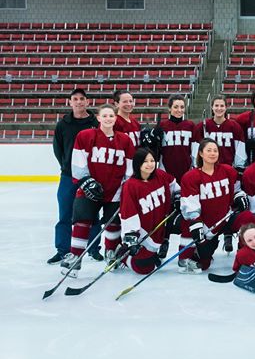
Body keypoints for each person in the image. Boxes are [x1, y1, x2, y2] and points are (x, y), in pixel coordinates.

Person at [59, 104, 135, 277]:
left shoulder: (124, 140)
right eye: (105, 116)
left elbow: (129, 167)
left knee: (113, 224)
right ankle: (75, 257)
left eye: (111, 116)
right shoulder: (86, 136)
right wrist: (86, 181)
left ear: (115, 119)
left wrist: (126, 187)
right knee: (82, 221)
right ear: (99, 118)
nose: (108, 119)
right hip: (89, 189)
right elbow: (78, 161)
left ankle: (111, 253)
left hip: (114, 190)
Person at [178, 138, 255, 273]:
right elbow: (190, 207)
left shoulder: (228, 171)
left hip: (226, 217)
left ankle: (246, 256)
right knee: (203, 263)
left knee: (247, 217)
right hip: (206, 225)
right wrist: (199, 231)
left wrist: (239, 197)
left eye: (215, 150)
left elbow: (237, 189)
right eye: (209, 150)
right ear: (201, 153)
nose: (213, 153)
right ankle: (190, 254)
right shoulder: (191, 177)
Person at [48, 87, 101, 265]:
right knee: (65, 214)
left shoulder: (96, 123)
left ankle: (94, 249)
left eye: (82, 99)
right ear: (70, 102)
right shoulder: (63, 124)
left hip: (91, 177)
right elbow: (58, 149)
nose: (78, 102)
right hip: (68, 177)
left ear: (87, 102)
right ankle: (62, 250)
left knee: (92, 215)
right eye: (75, 99)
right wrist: (66, 165)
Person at [118, 148, 180, 274]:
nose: (150, 164)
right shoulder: (130, 185)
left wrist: (178, 197)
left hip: (159, 226)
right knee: (144, 268)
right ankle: (124, 257)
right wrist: (131, 239)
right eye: (145, 161)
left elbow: (174, 185)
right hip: (142, 231)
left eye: (152, 160)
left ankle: (151, 254)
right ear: (138, 164)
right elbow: (128, 213)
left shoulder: (160, 175)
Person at [192, 95, 247, 171]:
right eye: (216, 105)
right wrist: (197, 165)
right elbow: (196, 150)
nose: (219, 108)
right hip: (207, 169)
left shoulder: (235, 127)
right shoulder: (202, 126)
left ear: (226, 107)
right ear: (212, 107)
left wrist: (239, 167)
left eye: (222, 106)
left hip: (228, 169)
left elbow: (240, 149)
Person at [157, 94, 194, 182]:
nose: (179, 110)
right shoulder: (162, 126)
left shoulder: (190, 125)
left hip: (186, 168)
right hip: (166, 168)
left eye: (182, 107)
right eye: (176, 107)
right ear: (170, 108)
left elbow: (194, 150)